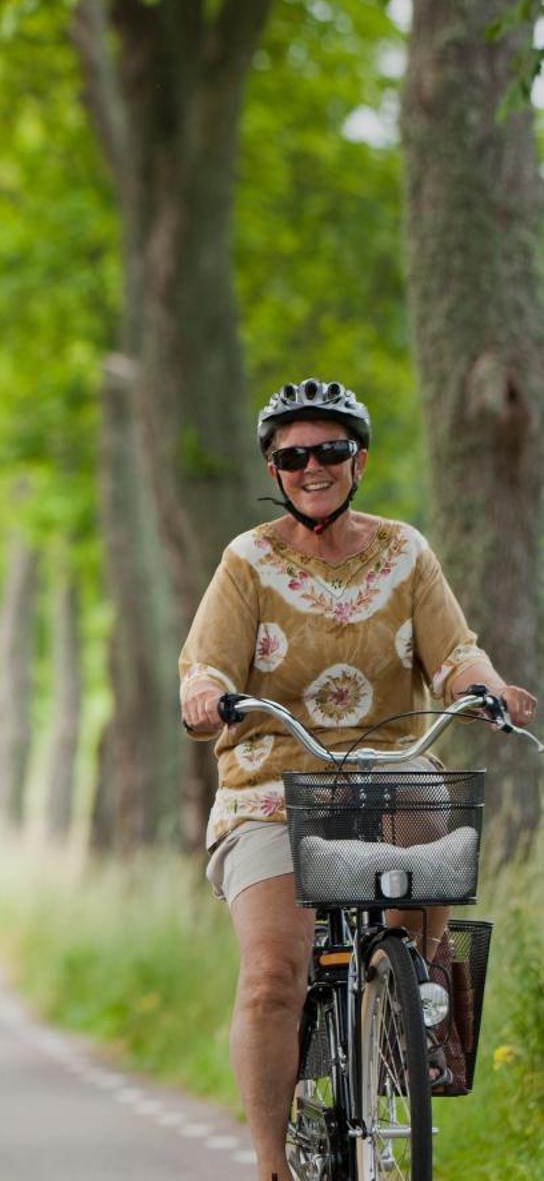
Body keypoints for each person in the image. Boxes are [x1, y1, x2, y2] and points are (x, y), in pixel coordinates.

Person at [179, 378, 536, 1181]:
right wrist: (204, 695)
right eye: (293, 455)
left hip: (386, 775)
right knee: (274, 972)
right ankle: (271, 1161)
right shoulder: (247, 562)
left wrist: (484, 683)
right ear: (274, 469)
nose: (313, 466)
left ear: (358, 459)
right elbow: (204, 663)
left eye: (330, 450)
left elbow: (454, 651)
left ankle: (416, 982)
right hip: (272, 785)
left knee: (435, 799)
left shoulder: (405, 552)